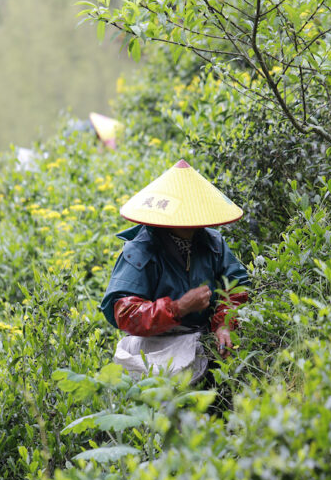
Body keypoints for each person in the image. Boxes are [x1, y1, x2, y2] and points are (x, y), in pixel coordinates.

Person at [100, 159, 249, 382]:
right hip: (154, 347)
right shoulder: (141, 249)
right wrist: (178, 308)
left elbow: (236, 288)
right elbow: (125, 312)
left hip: (204, 342)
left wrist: (224, 325)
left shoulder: (213, 243)